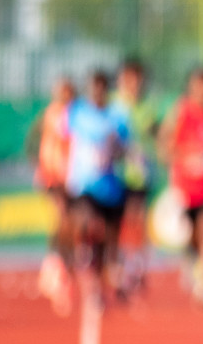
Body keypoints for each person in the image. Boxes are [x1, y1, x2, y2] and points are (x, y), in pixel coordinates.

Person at [161, 67, 203, 305]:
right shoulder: (181, 112)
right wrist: (187, 155)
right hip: (186, 190)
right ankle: (194, 261)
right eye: (198, 88)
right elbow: (166, 148)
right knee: (193, 235)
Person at [67, 69, 133, 306]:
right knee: (90, 226)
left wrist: (114, 151)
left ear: (107, 89)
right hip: (83, 186)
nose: (96, 92)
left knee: (109, 244)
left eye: (101, 87)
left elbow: (126, 147)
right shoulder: (76, 113)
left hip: (112, 188)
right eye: (93, 87)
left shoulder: (118, 116)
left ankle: (101, 287)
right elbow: (58, 136)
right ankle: (88, 271)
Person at [115, 58, 162, 296]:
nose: (133, 84)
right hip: (114, 175)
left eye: (138, 79)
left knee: (138, 220)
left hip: (140, 175)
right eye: (129, 78)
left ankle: (136, 268)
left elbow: (157, 135)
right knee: (119, 223)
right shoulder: (114, 106)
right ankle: (121, 265)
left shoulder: (148, 107)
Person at [34, 75, 76, 316]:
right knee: (62, 220)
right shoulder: (57, 115)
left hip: (69, 178)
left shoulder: (71, 113)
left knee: (67, 223)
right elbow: (50, 149)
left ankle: (57, 266)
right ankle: (54, 268)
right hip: (55, 178)